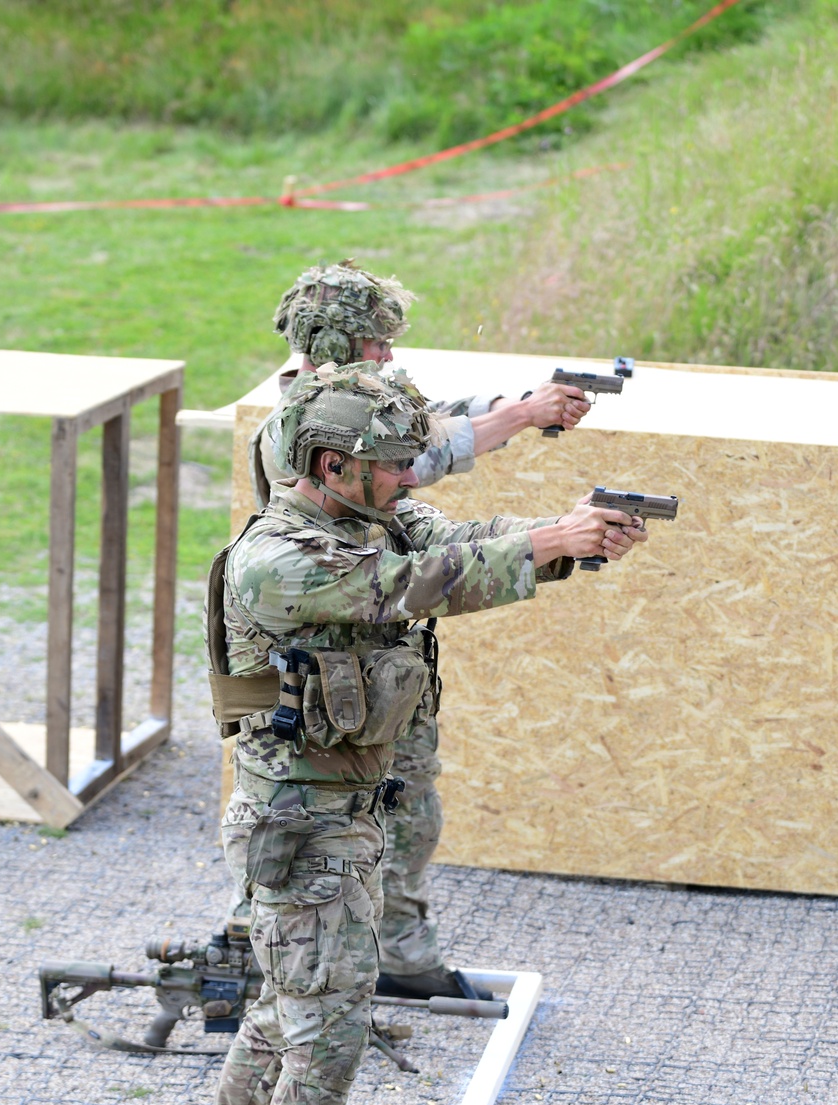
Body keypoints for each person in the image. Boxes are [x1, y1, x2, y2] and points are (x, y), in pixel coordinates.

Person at [202, 363, 645, 1105]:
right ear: (331, 464)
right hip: (302, 826)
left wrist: (561, 539)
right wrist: (547, 539)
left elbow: (460, 540)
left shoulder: (373, 510)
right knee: (327, 1026)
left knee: (292, 1005)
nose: (412, 478)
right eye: (395, 466)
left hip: (343, 814)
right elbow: (408, 586)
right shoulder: (280, 556)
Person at [240, 260, 593, 1004]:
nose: (389, 357)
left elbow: (426, 455)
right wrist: (526, 428)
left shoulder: (350, 412)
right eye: (375, 344)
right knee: (316, 840)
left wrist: (556, 524)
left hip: (370, 674)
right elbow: (412, 540)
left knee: (399, 816)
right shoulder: (314, 431)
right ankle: (299, 971)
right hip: (325, 680)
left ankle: (375, 957)